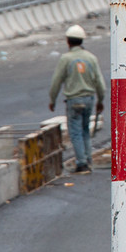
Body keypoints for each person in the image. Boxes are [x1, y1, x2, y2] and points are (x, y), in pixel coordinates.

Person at [48, 23, 106, 174]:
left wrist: (52, 100)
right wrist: (100, 100)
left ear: (68, 41)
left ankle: (81, 164)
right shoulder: (91, 58)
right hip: (89, 99)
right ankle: (88, 160)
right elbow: (100, 82)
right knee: (85, 130)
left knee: (75, 132)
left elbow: (56, 81)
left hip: (74, 100)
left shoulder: (65, 59)